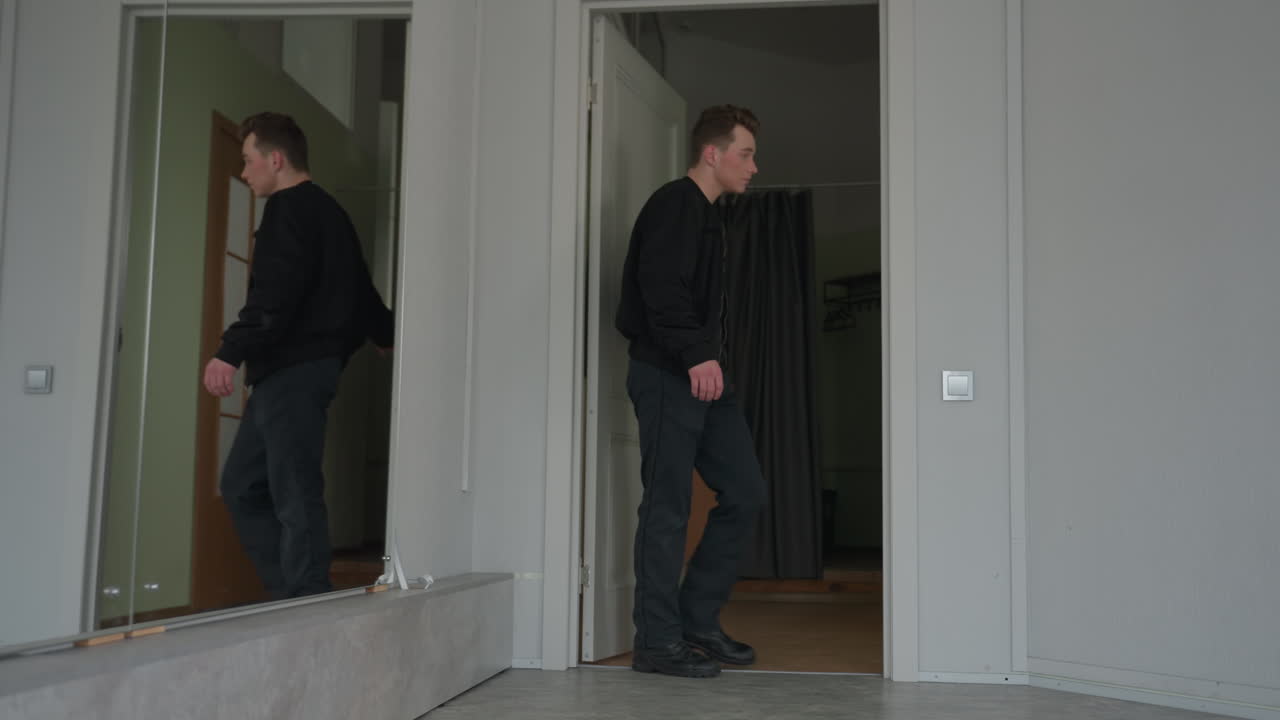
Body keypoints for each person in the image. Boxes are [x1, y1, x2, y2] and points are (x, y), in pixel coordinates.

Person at [202, 112, 394, 600]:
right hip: (292, 374)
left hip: (293, 372)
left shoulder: (289, 211)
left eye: (248, 161)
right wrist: (385, 333)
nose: (245, 173)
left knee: (294, 489)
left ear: (276, 158)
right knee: (244, 485)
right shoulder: (330, 212)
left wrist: (229, 352)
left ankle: (307, 599)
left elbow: (274, 296)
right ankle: (292, 595)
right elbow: (360, 290)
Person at [614, 105, 766, 678]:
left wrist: (709, 359)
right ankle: (656, 642)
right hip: (667, 372)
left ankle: (696, 620)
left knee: (746, 490)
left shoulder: (708, 217)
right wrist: (697, 353)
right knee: (668, 506)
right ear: (713, 153)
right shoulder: (675, 204)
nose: (753, 166)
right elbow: (660, 288)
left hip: (704, 377)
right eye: (745, 153)